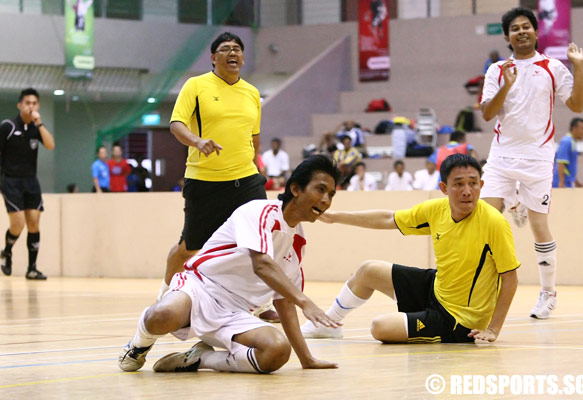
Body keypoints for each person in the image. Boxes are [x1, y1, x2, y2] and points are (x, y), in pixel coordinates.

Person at [118, 155, 342, 374]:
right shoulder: (259, 211)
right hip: (199, 287)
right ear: (295, 189)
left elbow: (284, 302)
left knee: (277, 351)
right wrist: (305, 302)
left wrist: (306, 358)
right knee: (161, 316)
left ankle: (201, 359)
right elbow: (261, 264)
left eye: (331, 194)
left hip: (236, 313)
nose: (326, 200)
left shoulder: (298, 243)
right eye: (320, 189)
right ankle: (138, 345)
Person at [301, 154, 519, 344]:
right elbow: (388, 218)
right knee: (368, 270)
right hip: (437, 288)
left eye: (473, 183)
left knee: (380, 327)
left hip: (458, 319)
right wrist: (333, 218)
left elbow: (509, 277)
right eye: (459, 184)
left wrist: (492, 329)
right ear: (444, 188)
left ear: (481, 184)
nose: (467, 191)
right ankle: (329, 325)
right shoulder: (436, 210)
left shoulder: (494, 223)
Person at [480, 7, 583, 319]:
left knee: (539, 227)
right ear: (508, 36)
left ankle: (548, 293)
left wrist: (578, 68)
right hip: (501, 156)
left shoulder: (553, 67)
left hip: (538, 157)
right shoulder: (497, 70)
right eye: (515, 28)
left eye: (527, 26)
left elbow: (577, 104)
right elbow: (487, 114)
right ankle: (484, 290)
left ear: (537, 33)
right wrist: (507, 85)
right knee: (485, 221)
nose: (521, 31)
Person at [161, 32, 269, 309]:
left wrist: (254, 164)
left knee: (260, 241)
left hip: (246, 179)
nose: (232, 53)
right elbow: (176, 124)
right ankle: (165, 293)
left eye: (237, 49)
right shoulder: (196, 86)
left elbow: (254, 136)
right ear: (213, 58)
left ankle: (262, 303)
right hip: (205, 180)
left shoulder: (252, 93)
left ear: (242, 58)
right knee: (189, 246)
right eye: (225, 49)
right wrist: (197, 141)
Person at [0, 88, 55, 280]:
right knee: (18, 224)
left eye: (34, 103)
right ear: (20, 105)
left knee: (34, 222)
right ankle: (7, 251)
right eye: (28, 103)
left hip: (31, 182)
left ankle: (32, 268)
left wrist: (39, 124)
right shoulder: (8, 126)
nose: (31, 106)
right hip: (11, 181)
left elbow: (50, 145)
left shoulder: (36, 127)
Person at [553, 118, 583, 188]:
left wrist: (576, 182)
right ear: (575, 128)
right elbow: (561, 162)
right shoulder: (566, 141)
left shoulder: (572, 142)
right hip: (562, 183)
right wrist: (561, 183)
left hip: (568, 182)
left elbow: (569, 167)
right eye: (582, 129)